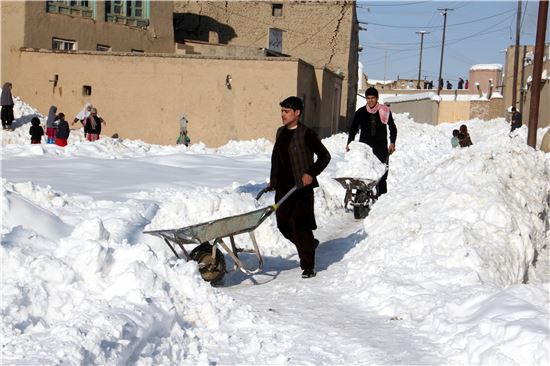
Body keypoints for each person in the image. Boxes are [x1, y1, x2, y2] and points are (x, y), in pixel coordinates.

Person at [269, 96, 331, 279]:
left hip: (301, 188)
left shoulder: (306, 134)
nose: (283, 115)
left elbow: (324, 156)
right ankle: (309, 244)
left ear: (297, 113)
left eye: (286, 111)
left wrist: (310, 173)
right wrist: (273, 179)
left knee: (300, 226)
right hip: (284, 188)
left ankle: (308, 265)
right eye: (282, 111)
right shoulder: (280, 132)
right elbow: (276, 159)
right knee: (283, 224)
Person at [347, 86, 397, 196]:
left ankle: (382, 201)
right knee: (363, 175)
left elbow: (392, 127)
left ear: (377, 98)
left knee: (381, 176)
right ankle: (360, 200)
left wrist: (392, 142)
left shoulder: (384, 111)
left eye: (373, 98)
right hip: (365, 148)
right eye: (368, 98)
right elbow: (353, 129)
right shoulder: (360, 112)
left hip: (381, 148)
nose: (370, 100)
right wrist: (349, 143)